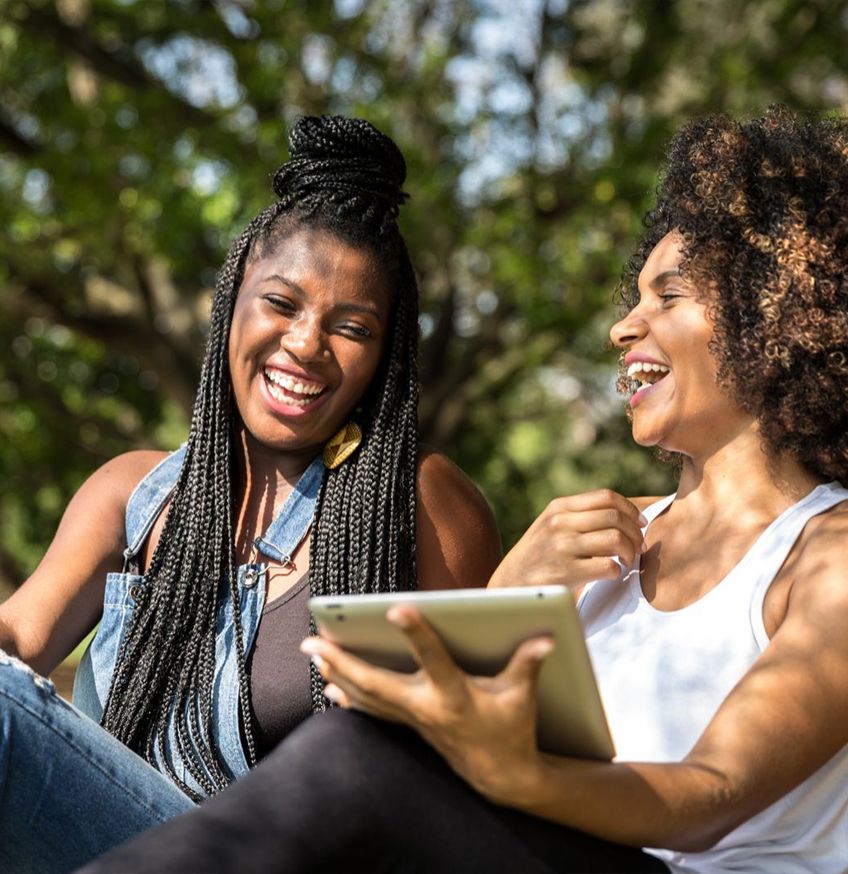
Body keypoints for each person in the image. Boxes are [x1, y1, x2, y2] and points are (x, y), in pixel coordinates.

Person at [80, 106, 848, 874]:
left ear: (780, 318)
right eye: (633, 296)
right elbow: (452, 757)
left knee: (353, 762)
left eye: (668, 295)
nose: (622, 326)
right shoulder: (604, 537)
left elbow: (708, 795)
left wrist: (512, 770)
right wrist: (515, 583)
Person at [0, 116, 501, 873]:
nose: (306, 344)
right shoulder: (134, 495)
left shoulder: (422, 505)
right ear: (232, 302)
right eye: (282, 303)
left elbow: (471, 763)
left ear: (384, 359)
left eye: (353, 326)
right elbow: (18, 638)